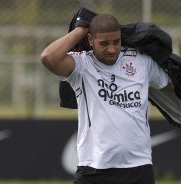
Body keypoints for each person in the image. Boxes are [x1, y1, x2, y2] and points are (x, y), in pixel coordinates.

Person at [40, 12, 170, 184]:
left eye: (116, 41)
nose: (112, 49)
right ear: (90, 40)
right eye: (104, 43)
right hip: (94, 169)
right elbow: (48, 57)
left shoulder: (141, 61)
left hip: (139, 168)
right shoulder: (81, 65)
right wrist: (81, 28)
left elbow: (172, 86)